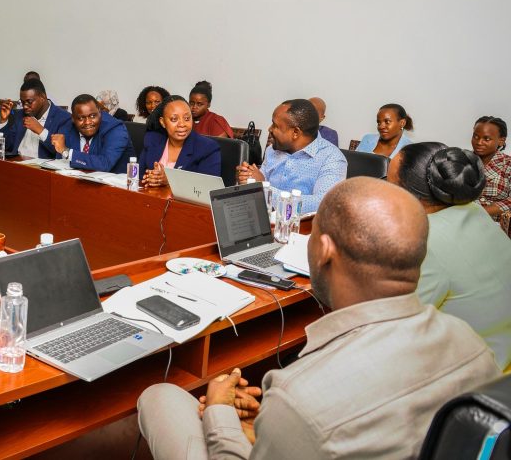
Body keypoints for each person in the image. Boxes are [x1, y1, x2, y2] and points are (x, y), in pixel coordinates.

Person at [137, 177, 500, 460]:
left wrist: (219, 410)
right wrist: (270, 427)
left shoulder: (299, 396)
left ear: (324, 250)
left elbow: (314, 417)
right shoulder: (469, 342)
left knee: (160, 396)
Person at [388, 142, 511, 371]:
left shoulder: (425, 240)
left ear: (411, 194)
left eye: (390, 185)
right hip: (502, 349)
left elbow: (396, 325)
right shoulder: (474, 211)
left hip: (471, 372)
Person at [236, 99, 346, 212]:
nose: (270, 129)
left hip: (301, 223)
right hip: (264, 218)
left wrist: (263, 188)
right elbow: (260, 179)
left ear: (295, 133)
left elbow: (323, 204)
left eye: (275, 125)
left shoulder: (332, 159)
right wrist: (247, 178)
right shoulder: (272, 150)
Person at [139, 97, 221, 186]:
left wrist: (170, 181)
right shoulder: (152, 139)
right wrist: (151, 178)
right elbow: (140, 177)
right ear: (163, 122)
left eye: (187, 118)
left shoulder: (207, 148)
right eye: (174, 119)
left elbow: (209, 186)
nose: (182, 124)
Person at [51, 94, 132, 173]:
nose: (87, 122)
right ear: (73, 119)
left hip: (117, 181)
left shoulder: (115, 129)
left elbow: (105, 164)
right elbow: (60, 163)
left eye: (93, 116)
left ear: (100, 112)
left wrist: (67, 152)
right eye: (81, 118)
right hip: (78, 179)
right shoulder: (67, 127)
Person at [0, 78, 71, 159]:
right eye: (22, 102)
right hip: (16, 162)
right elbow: (8, 146)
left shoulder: (64, 118)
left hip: (41, 166)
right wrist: (3, 121)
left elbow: (61, 153)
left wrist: (41, 131)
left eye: (29, 102)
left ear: (43, 97)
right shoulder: (20, 114)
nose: (25, 106)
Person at [472, 116, 511, 232]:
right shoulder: (461, 160)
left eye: (487, 139)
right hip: (462, 223)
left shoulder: (508, 164)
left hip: (498, 227)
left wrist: (481, 212)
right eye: (475, 136)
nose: (479, 142)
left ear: (501, 140)